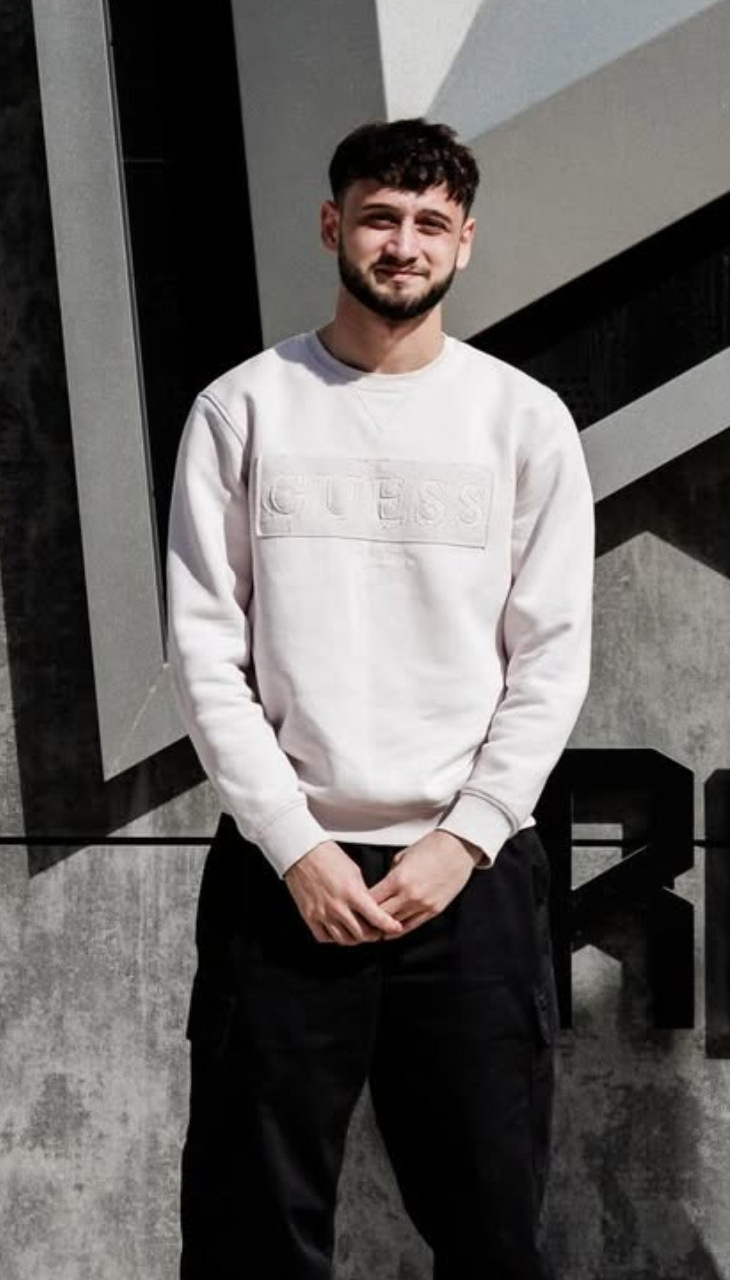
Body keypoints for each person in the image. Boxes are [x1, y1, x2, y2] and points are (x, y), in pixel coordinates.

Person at [166, 119, 592, 1280]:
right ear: (331, 225)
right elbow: (203, 653)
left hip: (469, 882)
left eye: (429, 224)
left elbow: (552, 657)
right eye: (379, 217)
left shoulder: (521, 419)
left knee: (494, 1235)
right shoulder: (246, 407)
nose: (403, 244)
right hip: (284, 876)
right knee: (251, 1236)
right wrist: (297, 845)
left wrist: (467, 837)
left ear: (465, 242)